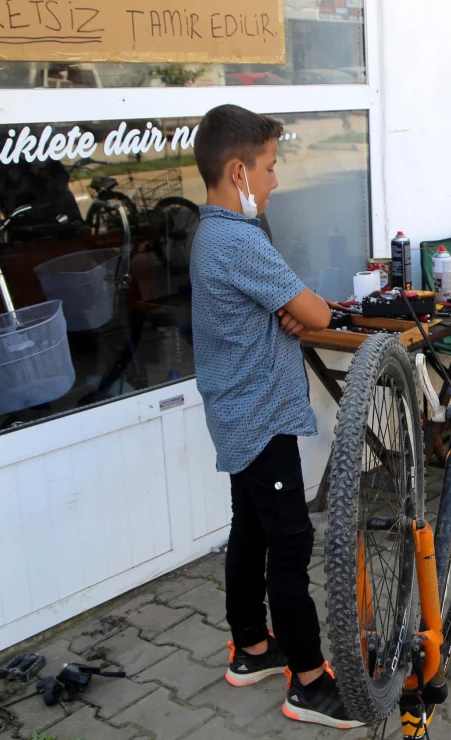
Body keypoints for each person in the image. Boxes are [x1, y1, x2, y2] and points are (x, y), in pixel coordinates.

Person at [189, 104, 361, 729]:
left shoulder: (212, 235)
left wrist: (294, 309)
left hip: (237, 412)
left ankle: (253, 648)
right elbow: (314, 313)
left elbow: (295, 309)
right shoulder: (238, 240)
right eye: (269, 166)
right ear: (238, 171)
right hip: (258, 417)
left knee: (251, 529)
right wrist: (300, 308)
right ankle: (310, 682)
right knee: (290, 541)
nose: (275, 179)